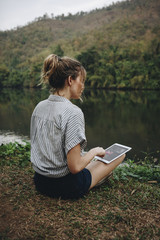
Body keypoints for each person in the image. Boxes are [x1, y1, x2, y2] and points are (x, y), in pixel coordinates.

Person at [30, 54, 125, 199]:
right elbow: (74, 167)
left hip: (40, 181)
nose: (83, 86)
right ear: (70, 80)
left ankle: (96, 171)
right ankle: (100, 177)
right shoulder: (73, 112)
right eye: (82, 81)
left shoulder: (39, 107)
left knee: (88, 162)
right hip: (66, 187)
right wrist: (93, 152)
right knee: (120, 155)